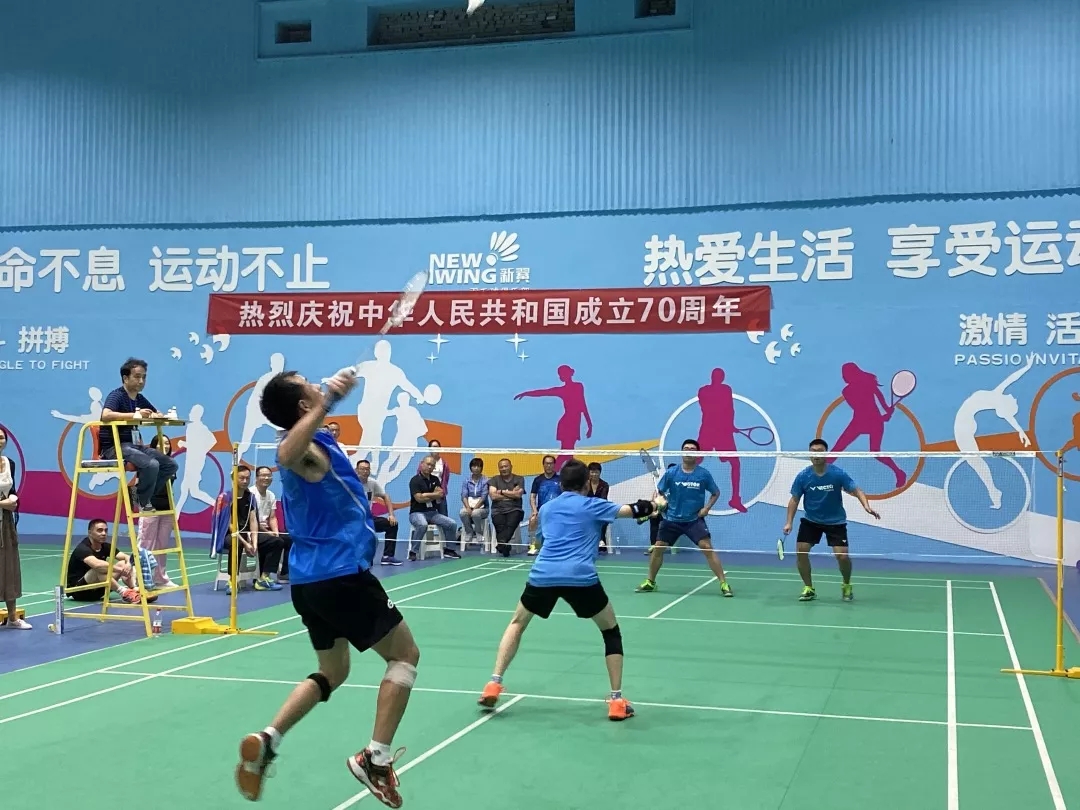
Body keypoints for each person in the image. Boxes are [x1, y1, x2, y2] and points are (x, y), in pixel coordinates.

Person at [236, 368, 420, 808]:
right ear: (305, 405)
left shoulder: (317, 440)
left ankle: (269, 738)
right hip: (340, 575)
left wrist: (323, 405)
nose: (318, 385)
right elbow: (285, 454)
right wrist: (328, 402)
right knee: (405, 656)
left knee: (333, 671)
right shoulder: (305, 450)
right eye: (309, 386)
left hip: (311, 582)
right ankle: (375, 759)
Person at [476, 459, 659, 721]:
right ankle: (617, 701)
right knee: (610, 631)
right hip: (580, 577)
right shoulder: (594, 505)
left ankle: (493, 684)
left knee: (517, 623)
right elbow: (634, 510)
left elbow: (542, 540)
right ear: (586, 484)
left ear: (561, 484)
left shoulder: (547, 508)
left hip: (544, 574)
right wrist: (655, 504)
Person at [783, 437, 880, 602]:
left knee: (842, 556)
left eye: (820, 451)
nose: (816, 455)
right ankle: (809, 588)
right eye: (813, 452)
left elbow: (857, 490)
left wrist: (866, 506)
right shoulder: (803, 476)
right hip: (811, 520)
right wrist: (789, 522)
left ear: (826, 453)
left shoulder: (837, 474)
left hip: (835, 522)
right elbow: (794, 499)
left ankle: (847, 584)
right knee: (801, 551)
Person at [636, 439, 732, 596]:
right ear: (681, 452)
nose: (689, 451)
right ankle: (650, 582)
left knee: (707, 547)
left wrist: (707, 508)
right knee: (658, 547)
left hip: (693, 520)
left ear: (698, 454)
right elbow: (659, 493)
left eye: (692, 449)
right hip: (671, 519)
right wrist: (659, 503)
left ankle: (724, 583)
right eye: (686, 448)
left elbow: (716, 492)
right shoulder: (671, 473)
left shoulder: (703, 474)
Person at [98, 357, 179, 512]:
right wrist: (134, 415)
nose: (141, 381)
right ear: (125, 378)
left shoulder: (139, 398)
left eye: (144, 377)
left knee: (171, 465)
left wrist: (157, 415)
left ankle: (140, 495)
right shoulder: (117, 395)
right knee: (152, 464)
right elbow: (105, 415)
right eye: (137, 377)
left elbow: (156, 413)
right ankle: (142, 499)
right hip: (115, 448)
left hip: (134, 446)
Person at [66, 518, 156, 604]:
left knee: (123, 563)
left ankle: (135, 589)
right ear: (90, 533)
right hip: (80, 592)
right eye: (99, 530)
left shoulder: (105, 546)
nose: (104, 533)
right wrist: (120, 570)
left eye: (105, 530)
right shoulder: (82, 548)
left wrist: (128, 564)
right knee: (99, 569)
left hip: (98, 591)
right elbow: (97, 565)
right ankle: (124, 593)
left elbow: (126, 557)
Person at [0, 427, 29, 629]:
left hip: (6, 522)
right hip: (3, 509)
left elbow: (13, 489)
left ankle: (12, 618)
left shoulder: (9, 463)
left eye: (1, 438)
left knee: (9, 565)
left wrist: (13, 499)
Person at [406, 456, 461, 561]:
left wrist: (425, 495)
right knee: (422, 525)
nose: (430, 467)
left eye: (432, 465)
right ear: (422, 464)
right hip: (417, 513)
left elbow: (440, 494)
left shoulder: (435, 479)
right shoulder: (415, 480)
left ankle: (449, 550)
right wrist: (433, 495)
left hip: (432, 513)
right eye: (428, 464)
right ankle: (413, 551)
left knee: (452, 524)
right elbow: (419, 499)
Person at [355, 459, 402, 566]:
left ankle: (387, 556)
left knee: (392, 524)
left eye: (367, 469)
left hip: (368, 518)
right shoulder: (351, 483)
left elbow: (385, 496)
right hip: (354, 519)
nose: (365, 471)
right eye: (362, 469)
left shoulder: (372, 483)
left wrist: (391, 515)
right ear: (357, 470)